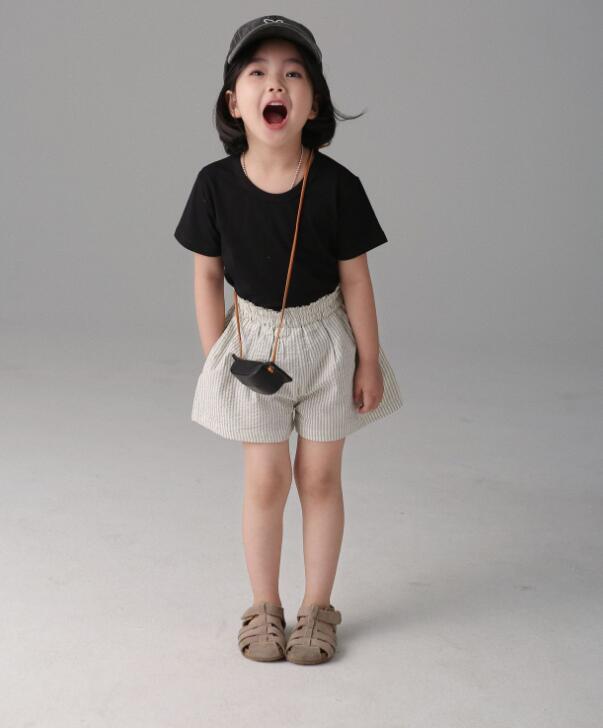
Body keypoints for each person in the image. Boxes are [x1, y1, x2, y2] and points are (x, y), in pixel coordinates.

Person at [174, 15, 403, 665]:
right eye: (258, 73)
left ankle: (317, 609)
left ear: (314, 103)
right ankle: (265, 607)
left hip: (327, 343)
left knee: (320, 478)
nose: (275, 84)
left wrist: (367, 360)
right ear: (233, 102)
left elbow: (356, 280)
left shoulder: (337, 186)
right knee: (266, 480)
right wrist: (215, 356)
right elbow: (206, 276)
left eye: (293, 74)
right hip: (250, 344)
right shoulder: (214, 185)